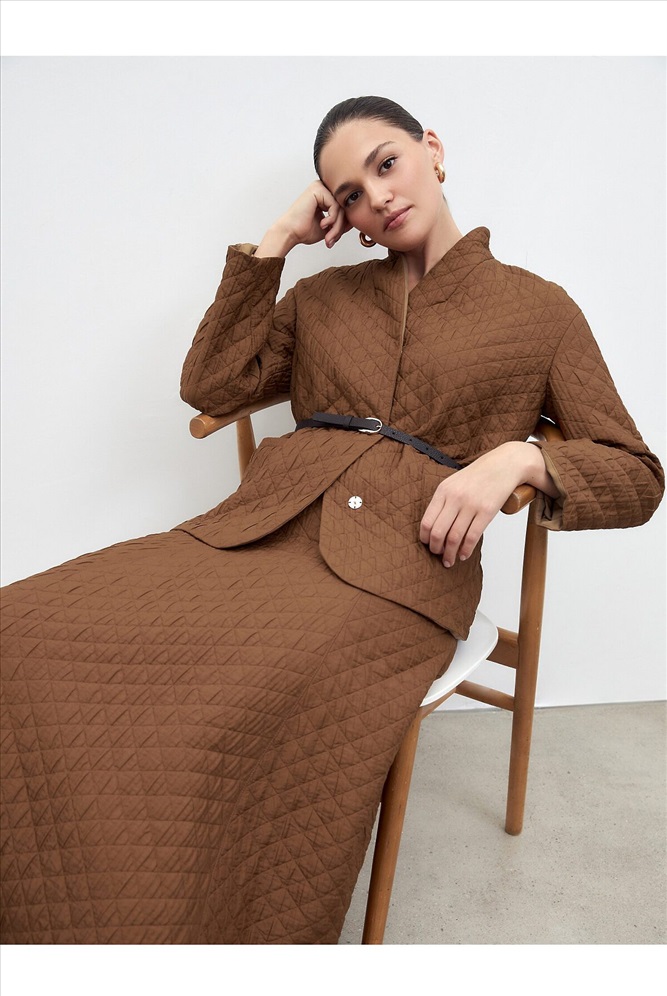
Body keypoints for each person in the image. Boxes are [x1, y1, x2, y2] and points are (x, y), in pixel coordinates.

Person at [0, 96, 663, 946]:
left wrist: (520, 460)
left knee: (219, 712)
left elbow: (636, 474)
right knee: (22, 625)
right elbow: (213, 385)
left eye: (385, 164)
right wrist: (276, 242)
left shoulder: (540, 310)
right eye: (349, 194)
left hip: (400, 569)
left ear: (431, 148)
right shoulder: (325, 298)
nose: (375, 197)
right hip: (252, 530)